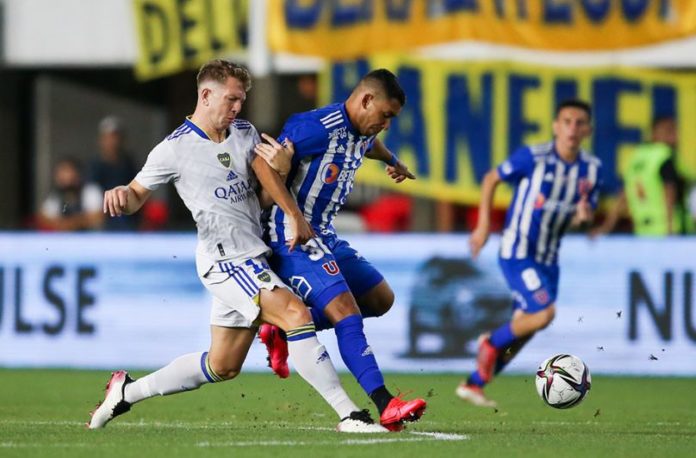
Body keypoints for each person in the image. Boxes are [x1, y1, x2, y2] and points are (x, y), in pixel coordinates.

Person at [88, 59, 388, 433]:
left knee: (222, 365)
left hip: (255, 253)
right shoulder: (174, 149)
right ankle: (351, 415)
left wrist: (280, 168)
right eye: (231, 99)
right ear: (206, 95)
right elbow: (135, 195)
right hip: (225, 259)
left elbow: (262, 196)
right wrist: (122, 195)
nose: (236, 108)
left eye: (241, 100)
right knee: (296, 315)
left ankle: (126, 392)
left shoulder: (245, 133)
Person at [259, 69, 426, 431]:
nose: (385, 125)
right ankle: (385, 403)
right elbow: (262, 164)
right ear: (366, 100)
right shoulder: (315, 127)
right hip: (292, 237)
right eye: (385, 115)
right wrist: (293, 216)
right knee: (346, 310)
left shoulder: (362, 131)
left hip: (325, 236)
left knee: (381, 299)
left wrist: (392, 161)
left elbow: (369, 146)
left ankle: (285, 326)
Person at [456, 99, 602, 407]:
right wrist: (483, 227)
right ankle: (490, 343)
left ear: (588, 130)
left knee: (527, 326)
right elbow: (491, 178)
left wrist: (583, 218)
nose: (572, 129)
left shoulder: (591, 170)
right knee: (544, 312)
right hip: (517, 251)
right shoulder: (533, 157)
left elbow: (580, 218)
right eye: (566, 121)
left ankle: (474, 384)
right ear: (555, 126)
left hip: (549, 260)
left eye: (579, 123)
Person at [592, 115, 691, 236]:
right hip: (669, 229)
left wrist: (606, 227)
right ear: (654, 133)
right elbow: (669, 192)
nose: (674, 136)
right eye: (669, 130)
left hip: (641, 229)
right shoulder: (664, 155)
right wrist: (669, 229)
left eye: (674, 130)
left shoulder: (635, 157)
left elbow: (623, 195)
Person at [88, 115, 139, 231]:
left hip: (128, 218)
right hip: (103, 220)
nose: (112, 142)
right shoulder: (94, 165)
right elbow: (91, 196)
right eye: (108, 137)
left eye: (115, 137)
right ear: (101, 140)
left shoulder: (129, 163)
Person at [36, 157, 104, 231]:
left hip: (91, 239)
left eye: (68, 171)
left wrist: (70, 223)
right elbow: (43, 218)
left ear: (78, 174)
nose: (64, 177)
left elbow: (98, 217)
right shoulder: (55, 197)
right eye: (61, 173)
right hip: (65, 240)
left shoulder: (90, 190)